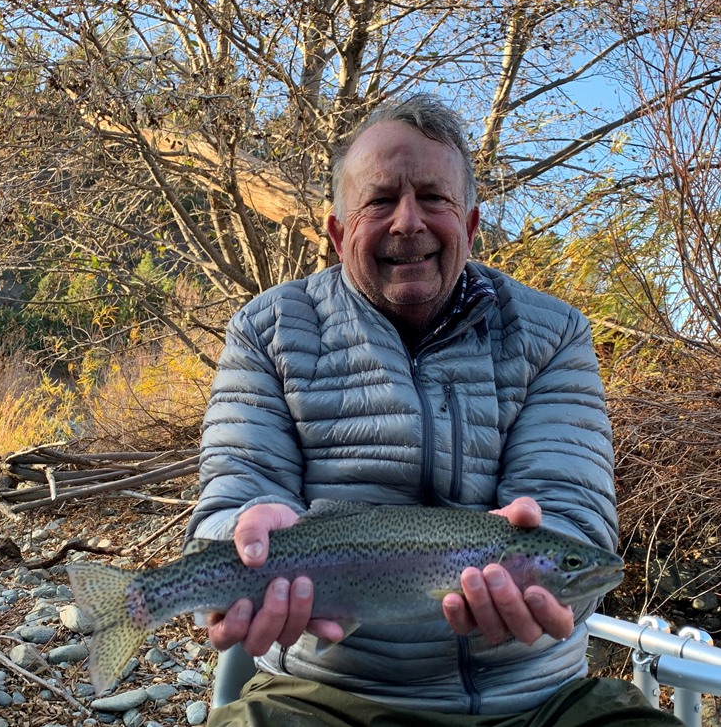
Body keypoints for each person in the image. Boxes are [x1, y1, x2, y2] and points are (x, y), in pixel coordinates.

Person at [186, 94, 680, 726]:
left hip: (537, 699)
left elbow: (572, 511)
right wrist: (243, 533)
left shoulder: (552, 332)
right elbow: (236, 488)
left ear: (470, 226)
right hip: (326, 696)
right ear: (338, 234)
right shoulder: (268, 329)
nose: (408, 222)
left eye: (433, 199)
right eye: (381, 200)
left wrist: (559, 566)